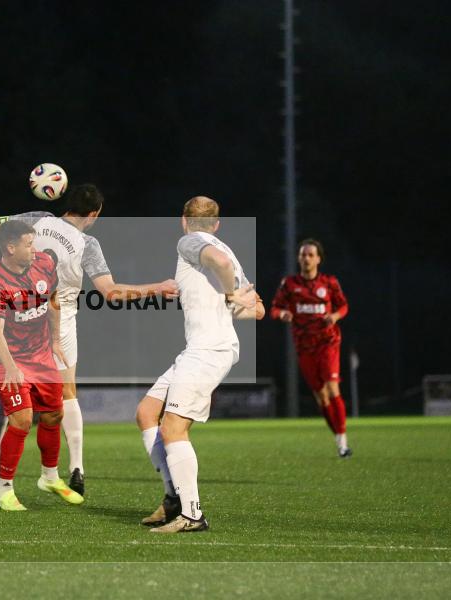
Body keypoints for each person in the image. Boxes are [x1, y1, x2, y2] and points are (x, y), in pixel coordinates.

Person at [0, 181, 178, 496]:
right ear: (93, 214)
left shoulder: (36, 218)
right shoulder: (87, 243)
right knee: (67, 393)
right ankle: (76, 468)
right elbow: (111, 293)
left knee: (10, 384)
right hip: (59, 321)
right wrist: (156, 288)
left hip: (17, 318)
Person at [134, 197, 263, 532]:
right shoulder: (228, 250)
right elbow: (257, 310)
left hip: (208, 350)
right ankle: (173, 498)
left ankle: (192, 515)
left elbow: (218, 262)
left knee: (173, 427)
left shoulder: (191, 240)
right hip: (203, 348)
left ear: (183, 220)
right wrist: (232, 297)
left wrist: (229, 293)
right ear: (217, 223)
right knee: (147, 412)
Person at [0, 219, 83, 510]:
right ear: (11, 248)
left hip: (39, 352)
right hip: (7, 357)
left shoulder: (44, 263)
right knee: (23, 419)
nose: (34, 248)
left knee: (53, 415)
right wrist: (11, 367)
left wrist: (55, 341)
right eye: (28, 244)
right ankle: (5, 490)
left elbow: (52, 299)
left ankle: (49, 477)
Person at [270, 239, 351, 457]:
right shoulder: (289, 284)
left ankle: (343, 442)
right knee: (321, 397)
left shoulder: (329, 283)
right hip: (304, 346)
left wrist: (334, 316)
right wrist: (283, 314)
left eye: (310, 255)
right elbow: (274, 308)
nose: (305, 258)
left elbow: (343, 306)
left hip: (328, 342)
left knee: (333, 389)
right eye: (302, 254)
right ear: (298, 258)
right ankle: (338, 437)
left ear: (318, 259)